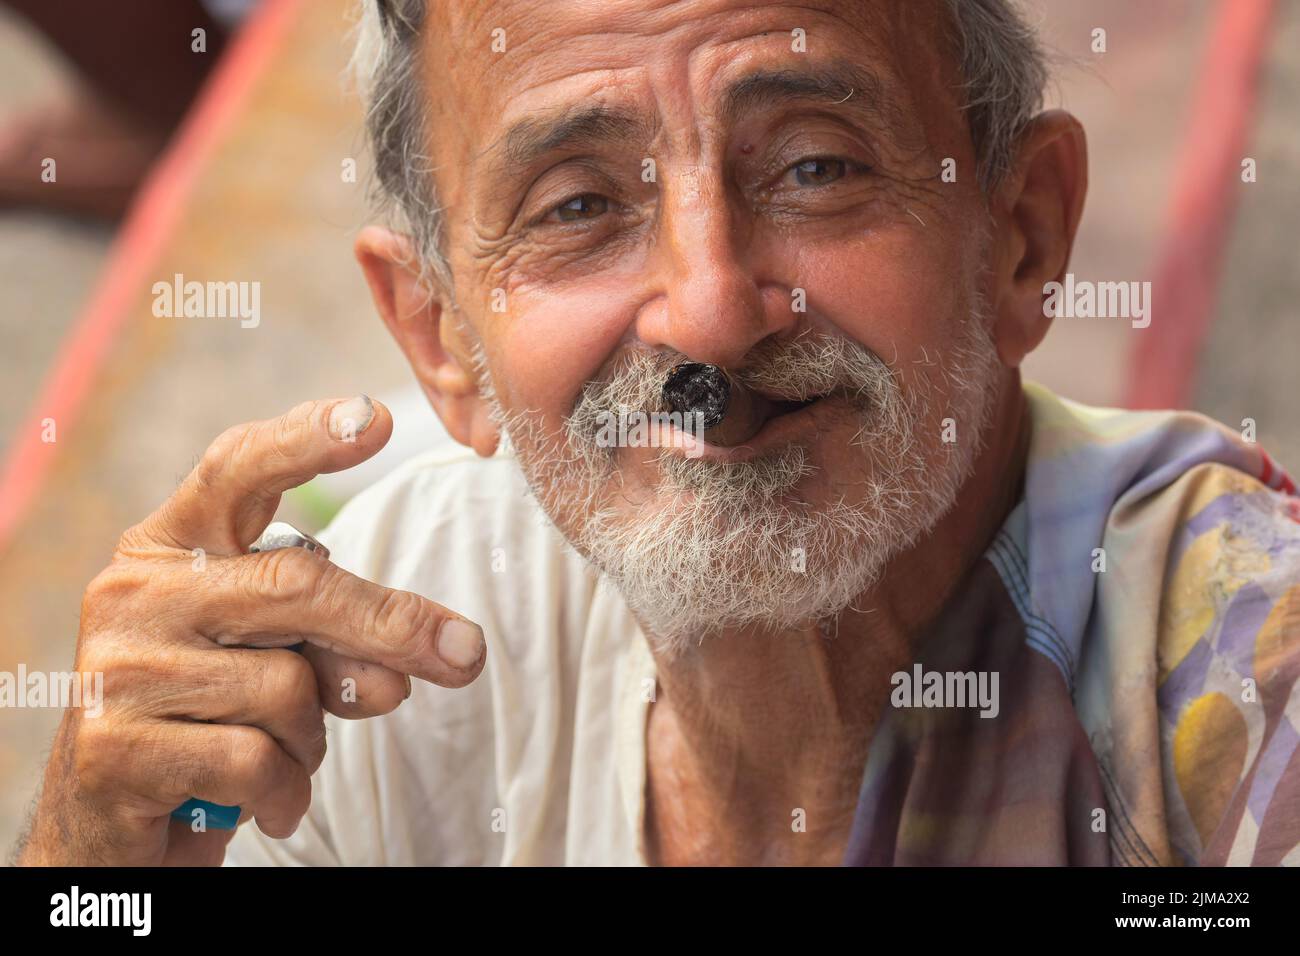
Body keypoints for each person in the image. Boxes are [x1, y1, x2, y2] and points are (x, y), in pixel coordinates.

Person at [14, 0, 1300, 867]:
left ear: (1020, 238)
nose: (711, 315)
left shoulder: (1229, 672)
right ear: (440, 336)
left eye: (814, 167)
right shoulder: (389, 667)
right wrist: (92, 856)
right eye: (577, 203)